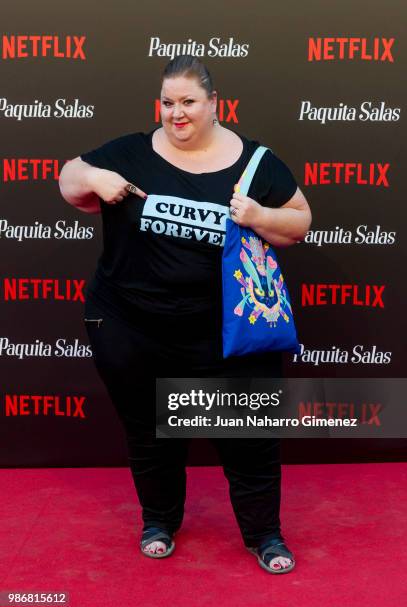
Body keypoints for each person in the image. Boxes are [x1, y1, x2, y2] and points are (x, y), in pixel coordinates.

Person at [59, 55, 311, 575]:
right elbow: (69, 178)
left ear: (214, 104)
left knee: (250, 438)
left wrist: (259, 215)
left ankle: (264, 535)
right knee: (150, 433)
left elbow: (299, 222)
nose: (177, 114)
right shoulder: (128, 152)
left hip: (227, 334)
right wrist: (95, 177)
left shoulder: (257, 164)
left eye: (188, 102)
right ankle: (158, 521)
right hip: (131, 324)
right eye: (168, 103)